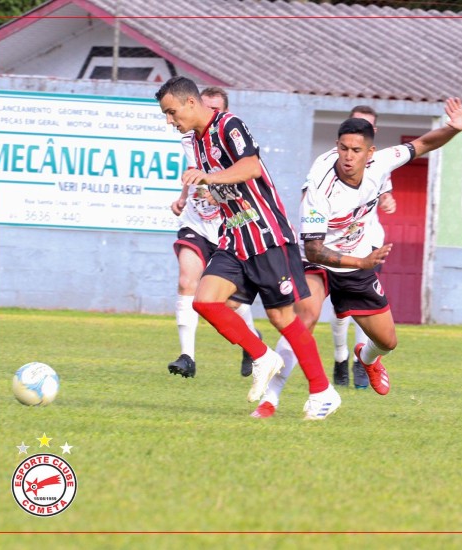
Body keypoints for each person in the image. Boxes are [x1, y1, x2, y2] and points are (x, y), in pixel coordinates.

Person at [252, 98, 462, 418]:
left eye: (356, 150)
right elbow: (314, 249)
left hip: (357, 258)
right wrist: (361, 263)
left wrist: (455, 128)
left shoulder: (382, 162)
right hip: (318, 258)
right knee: (305, 316)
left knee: (387, 341)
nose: (348, 156)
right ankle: (270, 400)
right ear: (337, 146)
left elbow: (423, 144)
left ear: (370, 153)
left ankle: (367, 359)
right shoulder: (321, 185)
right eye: (343, 148)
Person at [156, 76, 340, 420]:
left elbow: (251, 167)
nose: (169, 120)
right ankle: (262, 356)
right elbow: (221, 183)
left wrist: (210, 178)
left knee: (282, 317)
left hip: (266, 234)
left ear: (191, 103)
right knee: (204, 301)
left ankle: (322, 392)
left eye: (171, 112)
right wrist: (207, 190)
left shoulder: (229, 125)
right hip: (234, 235)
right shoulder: (194, 142)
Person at [168, 86, 262, 379]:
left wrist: (220, 191)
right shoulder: (189, 137)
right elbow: (193, 169)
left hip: (226, 226)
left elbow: (248, 177)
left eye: (214, 109)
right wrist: (183, 197)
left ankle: (252, 342)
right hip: (196, 222)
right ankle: (187, 357)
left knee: (229, 301)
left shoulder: (231, 137)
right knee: (187, 280)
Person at [322, 106, 396, 389]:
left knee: (363, 309)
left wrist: (388, 200)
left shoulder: (381, 163)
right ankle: (340, 357)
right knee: (340, 310)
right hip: (331, 245)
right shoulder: (327, 167)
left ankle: (361, 362)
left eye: (367, 126)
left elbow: (385, 192)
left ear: (373, 134)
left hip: (368, 243)